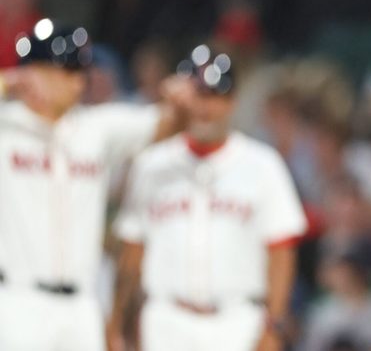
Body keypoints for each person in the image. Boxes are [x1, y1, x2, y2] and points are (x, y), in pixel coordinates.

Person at [0, 18, 190, 351]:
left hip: (82, 306)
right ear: (33, 72)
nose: (76, 81)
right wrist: (7, 83)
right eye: (64, 70)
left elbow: (165, 124)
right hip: (17, 301)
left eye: (78, 71)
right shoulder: (7, 127)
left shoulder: (95, 129)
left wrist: (180, 101)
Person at [109, 44, 308, 351]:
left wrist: (274, 324)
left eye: (217, 95)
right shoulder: (152, 165)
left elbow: (281, 250)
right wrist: (120, 321)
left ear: (233, 101)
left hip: (237, 322)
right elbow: (133, 251)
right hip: (166, 321)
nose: (206, 107)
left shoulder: (263, 165)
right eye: (199, 94)